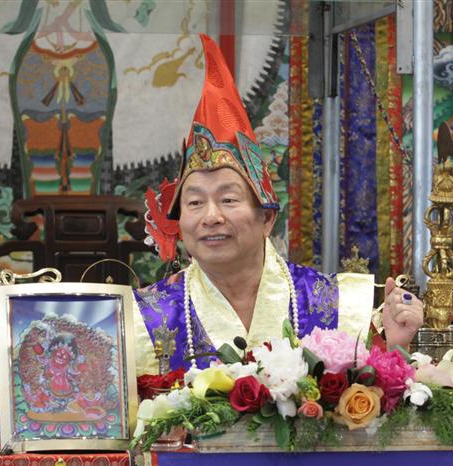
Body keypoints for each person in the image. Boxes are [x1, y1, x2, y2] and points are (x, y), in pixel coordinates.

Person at [133, 34, 424, 376]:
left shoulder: (332, 305)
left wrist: (395, 343)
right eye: (195, 202)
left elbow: (372, 397)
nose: (211, 216)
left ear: (267, 218)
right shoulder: (145, 317)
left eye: (228, 199)